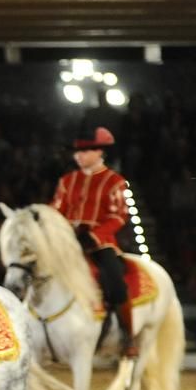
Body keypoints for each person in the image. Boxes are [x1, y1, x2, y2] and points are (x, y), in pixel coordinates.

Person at [50, 126, 137, 358]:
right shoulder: (67, 180)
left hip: (101, 244)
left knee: (116, 283)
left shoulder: (114, 181)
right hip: (69, 242)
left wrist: (94, 235)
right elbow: (56, 210)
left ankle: (129, 336)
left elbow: (118, 216)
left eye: (85, 151)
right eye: (77, 151)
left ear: (100, 152)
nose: (79, 156)